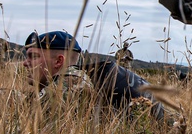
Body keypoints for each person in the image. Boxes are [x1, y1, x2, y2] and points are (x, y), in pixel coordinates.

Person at [23, 31, 164, 119]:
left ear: (59, 61)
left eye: (33, 56)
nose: (25, 63)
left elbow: (25, 121)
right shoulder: (72, 79)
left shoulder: (69, 82)